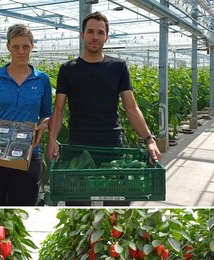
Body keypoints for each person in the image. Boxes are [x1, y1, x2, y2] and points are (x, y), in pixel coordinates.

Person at [46, 11, 161, 206]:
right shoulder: (68, 69)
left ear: (106, 37)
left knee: (117, 204)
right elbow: (58, 110)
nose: (95, 36)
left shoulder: (118, 67)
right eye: (90, 31)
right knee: (77, 203)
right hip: (78, 146)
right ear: (82, 35)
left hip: (111, 144)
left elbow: (131, 108)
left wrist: (149, 139)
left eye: (100, 32)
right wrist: (52, 140)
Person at [0, 24, 51, 206]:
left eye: (25, 46)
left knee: (24, 207)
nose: (21, 51)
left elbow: (46, 114)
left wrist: (44, 125)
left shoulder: (42, 79)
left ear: (32, 46)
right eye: (16, 46)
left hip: (27, 154)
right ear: (8, 47)